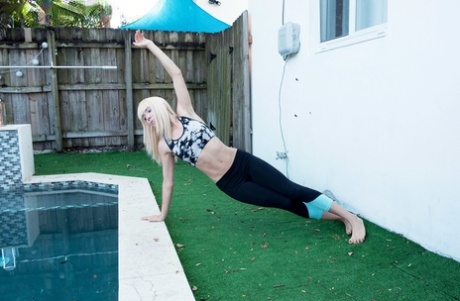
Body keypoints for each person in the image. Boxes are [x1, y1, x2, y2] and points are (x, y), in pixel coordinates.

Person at [133, 30, 366, 244]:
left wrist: (150, 44)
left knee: (291, 190)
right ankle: (339, 218)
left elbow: (176, 73)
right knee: (285, 203)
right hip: (230, 184)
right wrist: (162, 214)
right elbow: (168, 182)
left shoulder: (186, 113)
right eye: (144, 117)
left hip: (242, 162)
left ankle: (352, 218)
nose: (148, 118)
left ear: (159, 105)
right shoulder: (166, 145)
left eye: (148, 110)